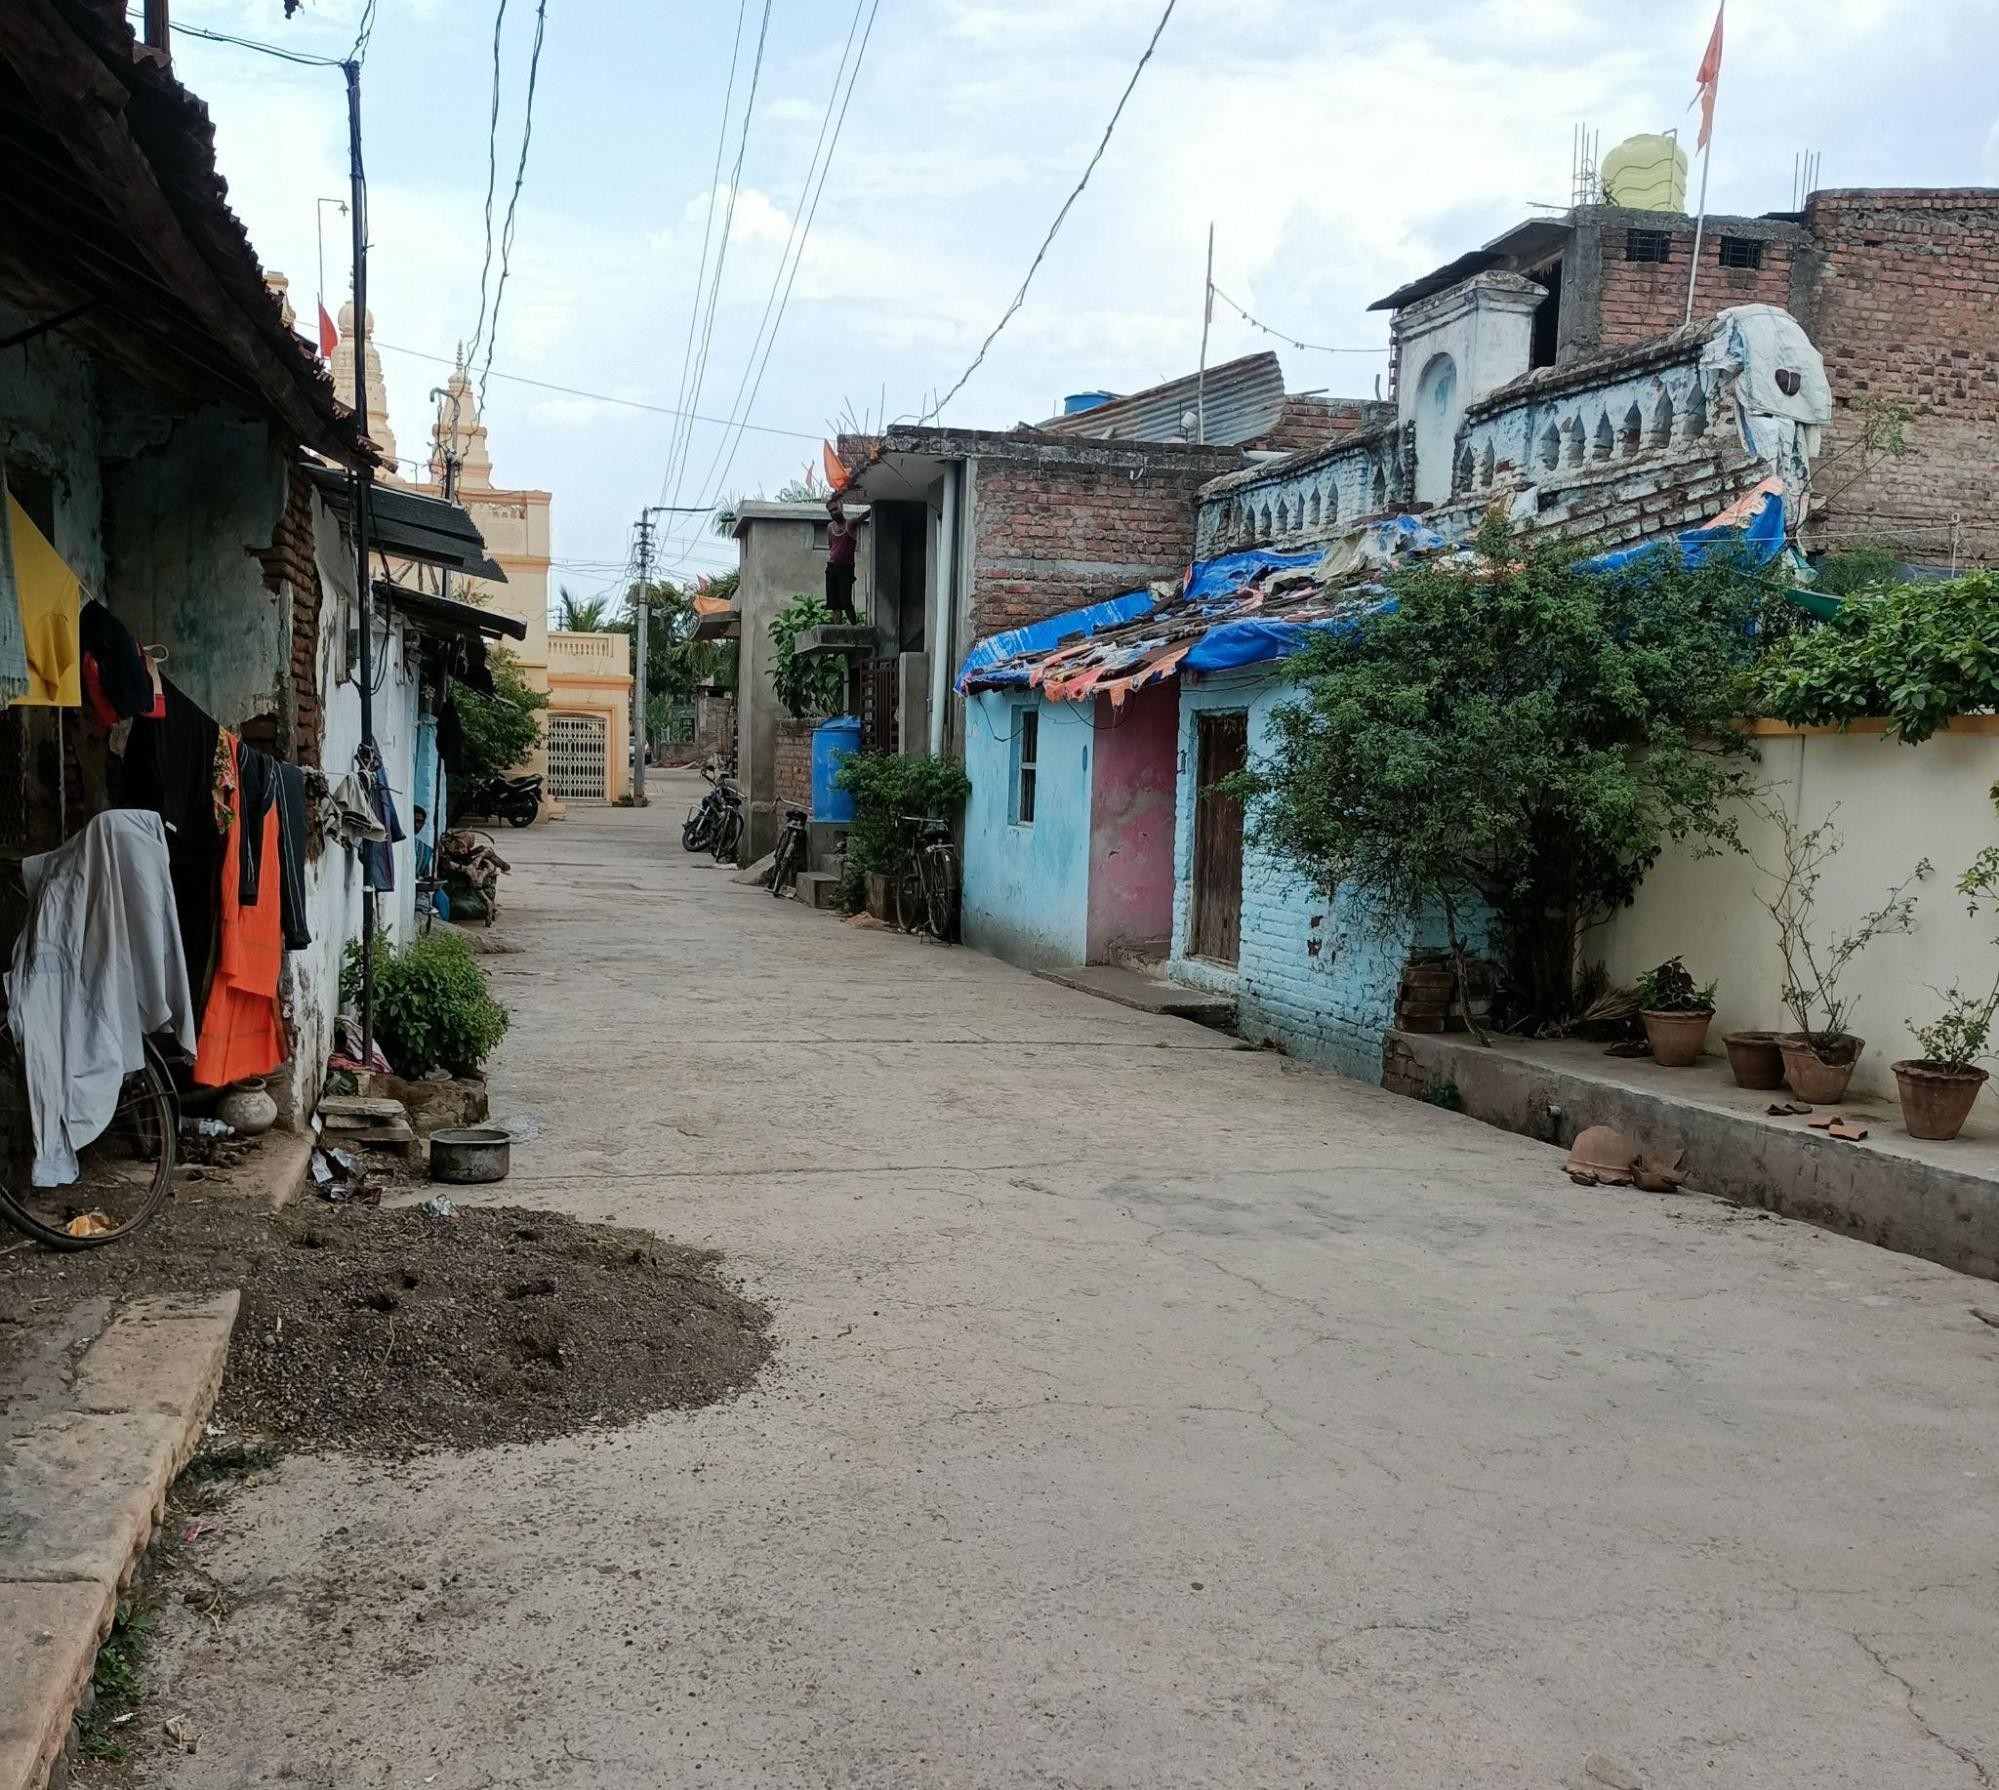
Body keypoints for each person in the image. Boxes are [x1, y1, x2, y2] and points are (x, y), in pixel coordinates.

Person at [825, 495, 858, 619]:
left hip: (846, 568)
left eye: (835, 509)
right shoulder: (830, 527)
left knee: (846, 602)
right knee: (834, 604)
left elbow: (861, 518)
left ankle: (855, 629)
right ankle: (836, 630)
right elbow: (831, 546)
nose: (833, 512)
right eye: (831, 511)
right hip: (832, 567)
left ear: (841, 507)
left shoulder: (850, 524)